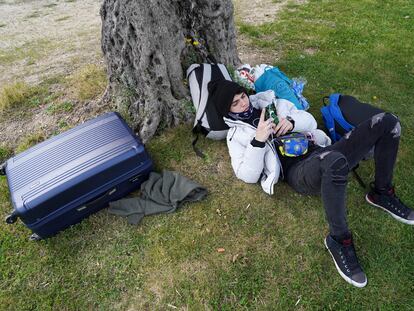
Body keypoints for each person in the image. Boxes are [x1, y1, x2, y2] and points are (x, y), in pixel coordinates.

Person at [208, 79, 414, 288]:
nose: (243, 103)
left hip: (320, 149)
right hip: (299, 172)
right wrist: (258, 140)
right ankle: (339, 240)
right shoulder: (236, 136)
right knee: (334, 162)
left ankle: (382, 192)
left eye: (242, 96)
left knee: (388, 121)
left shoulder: (271, 104)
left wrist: (291, 121)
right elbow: (247, 175)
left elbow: (310, 121)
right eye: (235, 103)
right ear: (228, 110)